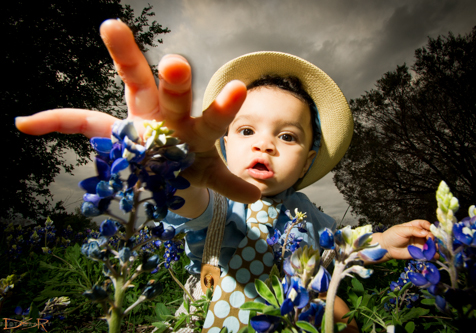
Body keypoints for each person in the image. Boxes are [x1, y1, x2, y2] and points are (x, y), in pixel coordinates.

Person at [15, 19, 434, 332]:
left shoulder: (307, 215)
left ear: (306, 162)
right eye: (246, 130)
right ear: (223, 145)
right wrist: (173, 163)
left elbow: (342, 247)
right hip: (209, 323)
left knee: (337, 308)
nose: (264, 145)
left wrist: (383, 240)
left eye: (286, 136)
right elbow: (191, 205)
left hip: (285, 321)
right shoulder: (219, 201)